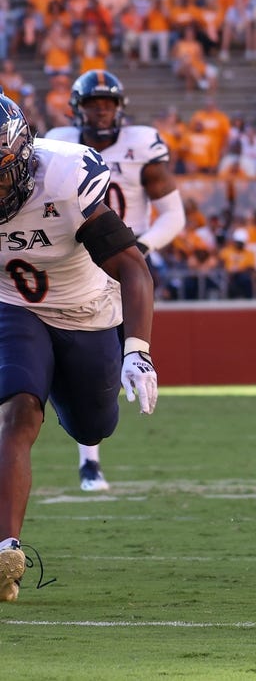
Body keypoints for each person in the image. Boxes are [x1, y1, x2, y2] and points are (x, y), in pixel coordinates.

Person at [0, 93, 158, 602]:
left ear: (24, 157)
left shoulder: (66, 176)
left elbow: (132, 266)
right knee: (18, 412)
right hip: (12, 307)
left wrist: (137, 349)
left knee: (93, 424)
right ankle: (6, 550)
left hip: (87, 311)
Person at [44, 69, 183, 492]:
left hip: (124, 262)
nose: (100, 112)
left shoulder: (142, 144)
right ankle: (90, 462)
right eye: (91, 104)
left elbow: (174, 214)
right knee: (89, 361)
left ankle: (92, 444)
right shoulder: (58, 142)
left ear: (120, 108)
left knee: (122, 357)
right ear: (76, 109)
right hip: (72, 265)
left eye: (107, 104)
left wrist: (141, 248)